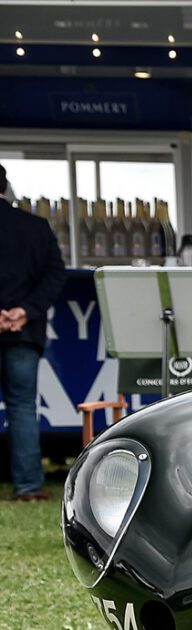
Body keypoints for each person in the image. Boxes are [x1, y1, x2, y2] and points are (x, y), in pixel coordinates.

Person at [0, 163, 65, 501]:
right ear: (5, 186)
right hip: (23, 332)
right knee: (23, 407)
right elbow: (56, 275)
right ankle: (27, 485)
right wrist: (24, 311)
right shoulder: (35, 227)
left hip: (17, 327)